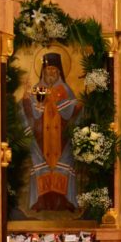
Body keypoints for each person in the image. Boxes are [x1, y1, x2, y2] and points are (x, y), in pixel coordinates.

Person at [20, 52, 81, 211]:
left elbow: (72, 110)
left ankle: (64, 200)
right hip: (41, 138)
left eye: (54, 70)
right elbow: (33, 112)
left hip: (61, 138)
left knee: (63, 165)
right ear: (43, 71)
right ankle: (41, 201)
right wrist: (27, 100)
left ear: (59, 71)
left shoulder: (65, 89)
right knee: (42, 165)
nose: (51, 73)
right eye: (48, 70)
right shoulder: (38, 89)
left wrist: (75, 105)